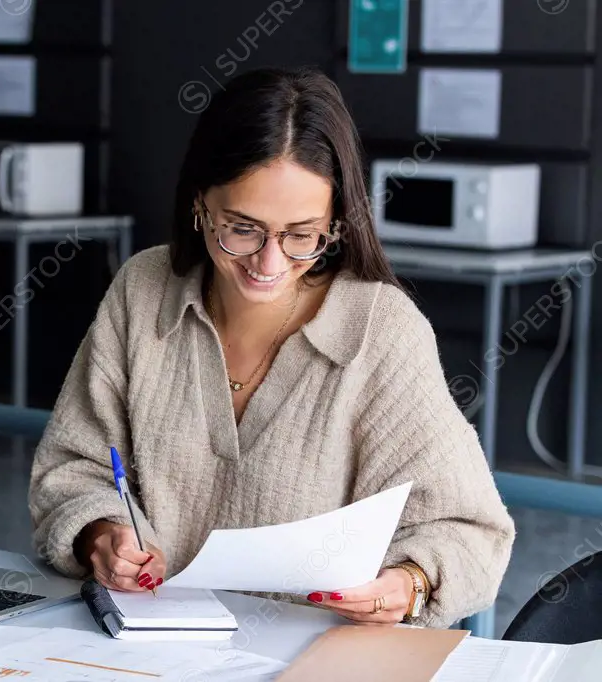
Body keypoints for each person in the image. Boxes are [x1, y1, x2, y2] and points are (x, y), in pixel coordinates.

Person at [27, 66, 515, 629]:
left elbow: (471, 531)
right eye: (242, 228)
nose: (269, 263)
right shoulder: (143, 290)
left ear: (336, 222)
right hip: (144, 652)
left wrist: (407, 584)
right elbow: (72, 468)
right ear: (199, 204)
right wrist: (101, 536)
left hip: (314, 659)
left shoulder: (381, 332)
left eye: (302, 235)